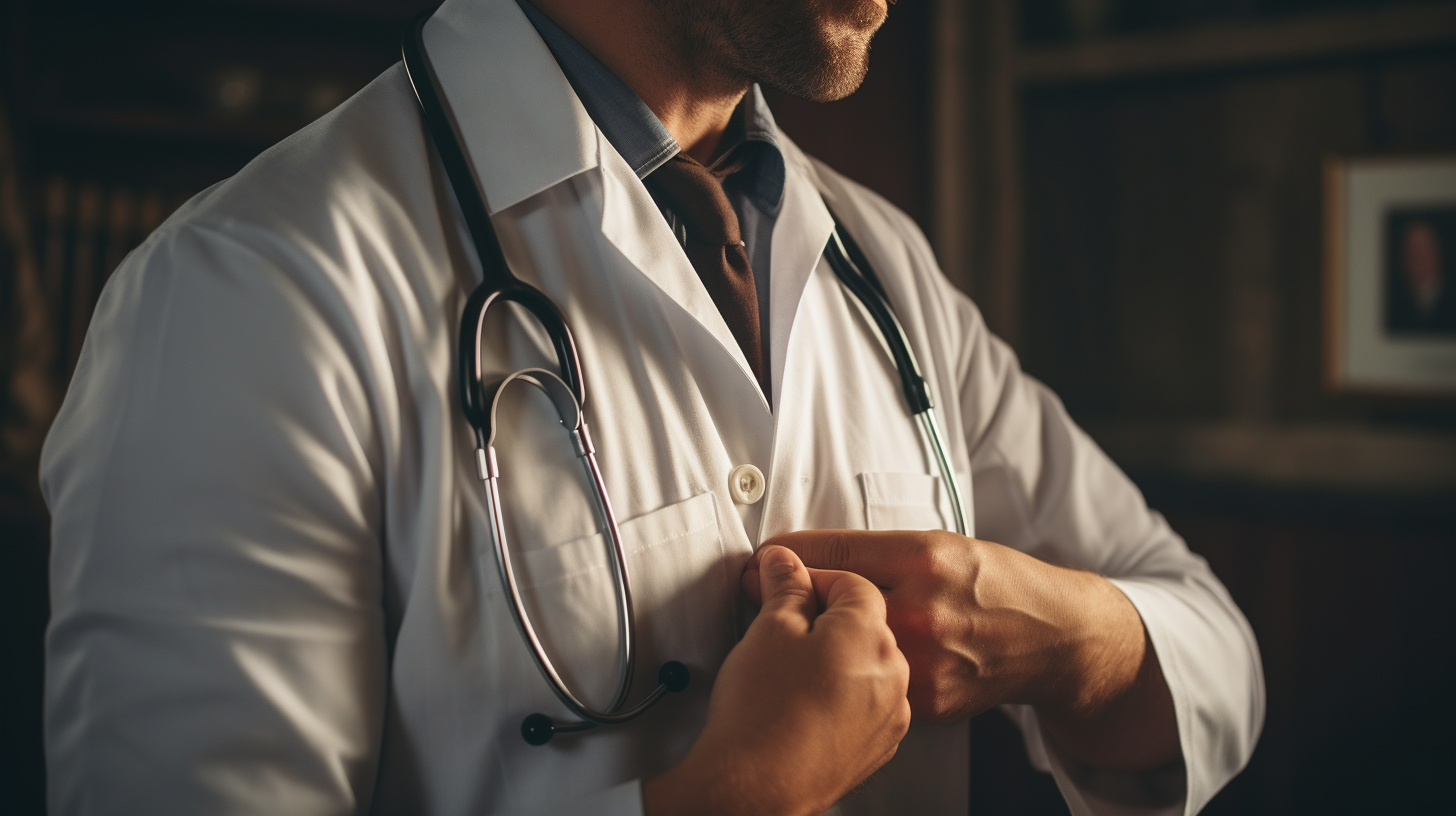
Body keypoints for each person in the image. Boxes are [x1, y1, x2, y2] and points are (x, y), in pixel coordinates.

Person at [40, 0, 1264, 814]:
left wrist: (1060, 634)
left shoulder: (881, 265)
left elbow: (1213, 653)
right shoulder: (249, 291)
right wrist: (733, 802)